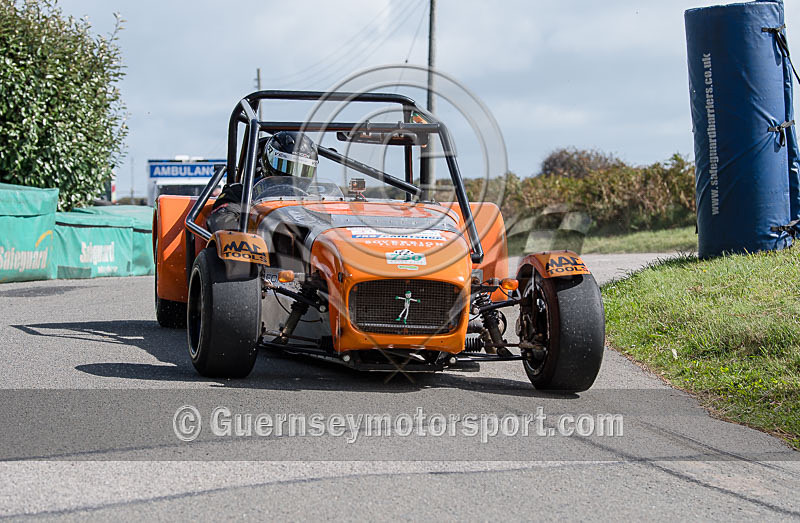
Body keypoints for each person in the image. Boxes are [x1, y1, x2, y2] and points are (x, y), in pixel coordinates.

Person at [206, 131, 318, 232]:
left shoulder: (315, 202)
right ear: (266, 161)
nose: (294, 176)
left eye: (303, 170)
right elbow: (221, 221)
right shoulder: (241, 193)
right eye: (285, 166)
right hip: (255, 250)